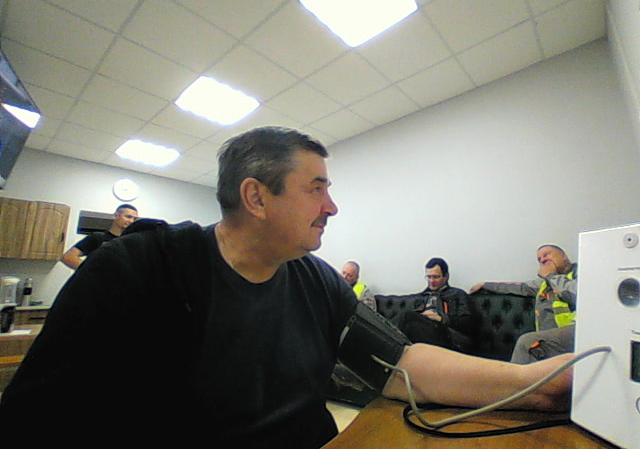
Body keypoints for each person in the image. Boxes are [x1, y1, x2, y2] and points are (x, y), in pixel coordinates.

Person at [0, 127, 573, 446]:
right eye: (316, 188)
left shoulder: (315, 279)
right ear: (256, 196)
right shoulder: (137, 270)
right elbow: (34, 424)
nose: (332, 206)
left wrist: (534, 383)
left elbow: (400, 363)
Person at [470, 244, 577, 364]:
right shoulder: (544, 283)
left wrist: (550, 276)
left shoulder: (581, 271)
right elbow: (521, 287)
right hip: (551, 340)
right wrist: (485, 285)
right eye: (539, 259)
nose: (543, 260)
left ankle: (512, 377)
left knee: (527, 342)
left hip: (579, 332)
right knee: (535, 348)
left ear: (564, 256)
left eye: (547, 254)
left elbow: (578, 294)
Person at [395, 257, 474, 352]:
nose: (431, 281)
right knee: (406, 317)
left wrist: (440, 318)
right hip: (424, 333)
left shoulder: (457, 294)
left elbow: (468, 323)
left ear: (446, 276)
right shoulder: (422, 297)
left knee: (409, 316)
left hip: (450, 337)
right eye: (429, 277)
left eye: (436, 277)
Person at [59, 203, 138, 269]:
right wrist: (92, 272)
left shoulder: (131, 242)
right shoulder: (97, 237)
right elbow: (68, 257)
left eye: (134, 219)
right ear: (116, 215)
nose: (131, 221)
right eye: (128, 217)